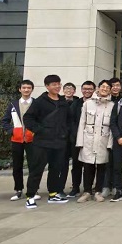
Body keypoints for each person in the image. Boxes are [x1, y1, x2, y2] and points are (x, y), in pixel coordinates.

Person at [23, 74, 70, 209]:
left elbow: (68, 120)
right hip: (42, 142)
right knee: (37, 170)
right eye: (54, 84)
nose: (57, 87)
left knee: (56, 169)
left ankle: (53, 194)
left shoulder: (63, 102)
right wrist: (40, 130)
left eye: (59, 84)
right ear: (47, 86)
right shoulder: (40, 102)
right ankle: (30, 196)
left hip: (59, 142)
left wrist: (65, 132)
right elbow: (28, 118)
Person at [75, 80, 115, 203]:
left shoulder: (112, 105)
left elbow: (112, 126)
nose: (105, 89)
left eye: (107, 87)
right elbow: (82, 122)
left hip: (103, 139)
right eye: (103, 86)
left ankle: (98, 191)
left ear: (110, 90)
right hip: (88, 139)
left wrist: (110, 143)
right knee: (88, 166)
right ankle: (87, 191)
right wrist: (80, 142)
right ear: (98, 88)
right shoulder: (88, 103)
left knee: (102, 167)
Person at [1, 79, 38, 201]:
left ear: (32, 89)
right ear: (20, 89)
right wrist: (11, 131)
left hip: (32, 139)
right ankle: (18, 190)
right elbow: (5, 121)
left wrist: (37, 131)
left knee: (33, 166)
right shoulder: (13, 104)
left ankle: (33, 190)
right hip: (16, 139)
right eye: (24, 88)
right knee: (17, 166)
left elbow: (42, 120)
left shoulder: (36, 103)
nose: (26, 90)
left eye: (29, 88)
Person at [62, 80, 96, 198]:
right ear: (81, 90)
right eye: (85, 89)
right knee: (76, 165)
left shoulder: (97, 103)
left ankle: (88, 188)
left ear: (94, 90)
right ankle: (75, 188)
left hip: (92, 139)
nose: (87, 91)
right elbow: (70, 121)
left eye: (90, 89)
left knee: (90, 165)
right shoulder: (76, 104)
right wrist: (75, 135)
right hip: (76, 139)